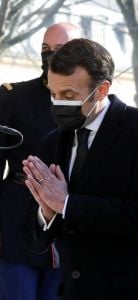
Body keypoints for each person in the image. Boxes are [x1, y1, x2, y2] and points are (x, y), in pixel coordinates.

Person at [22, 38, 138, 300]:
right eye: (54, 95)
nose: (59, 103)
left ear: (102, 90)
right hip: (73, 291)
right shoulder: (53, 142)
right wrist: (46, 214)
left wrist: (67, 204)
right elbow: (35, 239)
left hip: (131, 291)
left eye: (69, 95)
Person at [0, 22, 81, 300]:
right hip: (17, 218)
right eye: (46, 49)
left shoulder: (90, 101)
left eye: (60, 49)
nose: (51, 56)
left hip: (72, 222)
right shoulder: (12, 98)